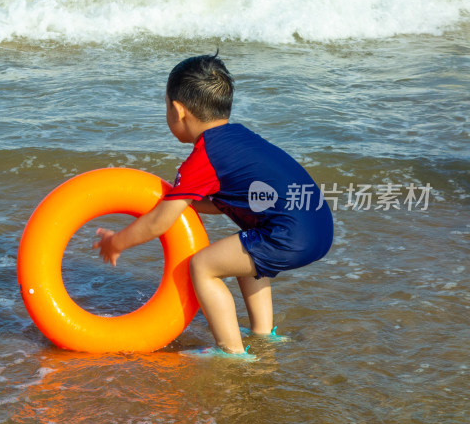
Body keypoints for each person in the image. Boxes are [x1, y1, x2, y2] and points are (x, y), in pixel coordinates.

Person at [93, 53, 333, 357]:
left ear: (178, 110)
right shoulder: (239, 139)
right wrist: (187, 204)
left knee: (203, 265)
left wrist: (117, 242)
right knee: (242, 253)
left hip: (289, 235)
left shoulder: (203, 157)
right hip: (318, 226)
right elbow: (225, 202)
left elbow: (159, 223)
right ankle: (263, 334)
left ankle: (231, 353)